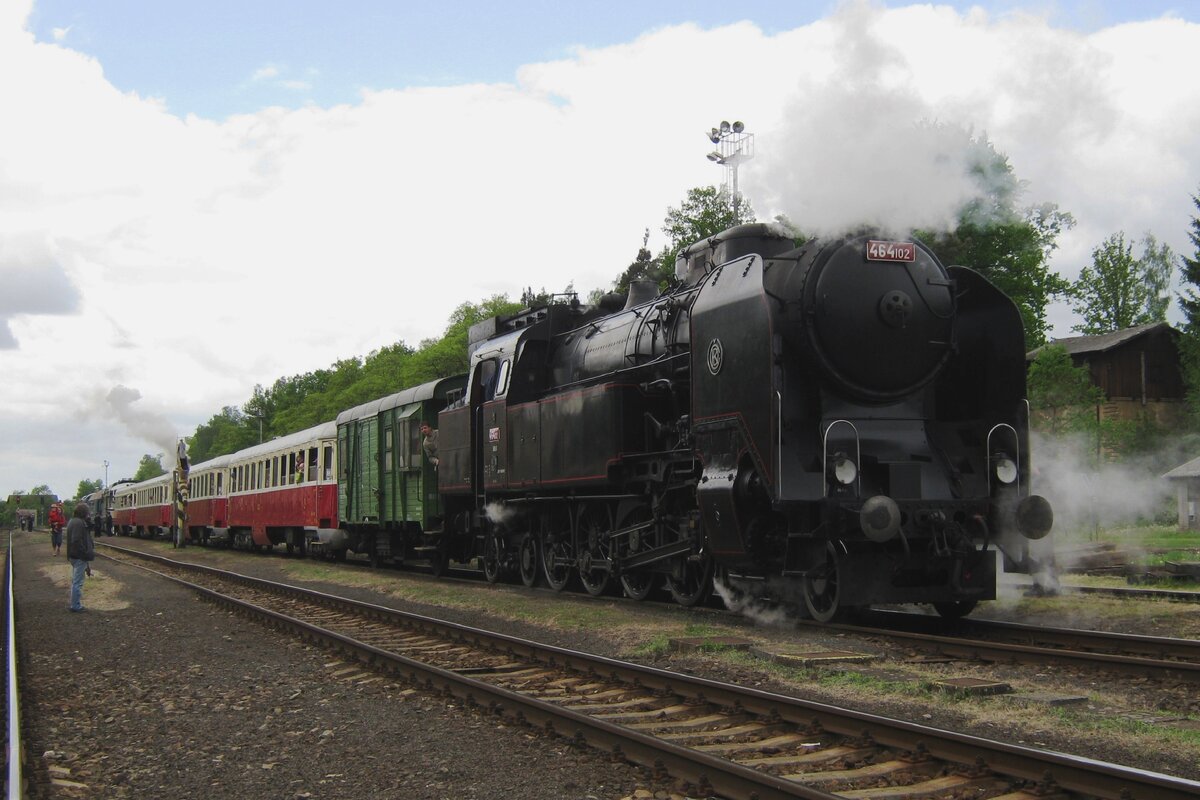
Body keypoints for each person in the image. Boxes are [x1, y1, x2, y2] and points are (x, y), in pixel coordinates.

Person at [66, 503, 95, 612]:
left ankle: (75, 604)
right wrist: (84, 554)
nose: (89, 515)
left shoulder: (73, 521)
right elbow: (76, 540)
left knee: (76, 581)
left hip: (74, 555)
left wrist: (87, 565)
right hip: (78, 556)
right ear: (84, 512)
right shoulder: (79, 523)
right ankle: (75, 606)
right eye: (87, 512)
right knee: (77, 582)